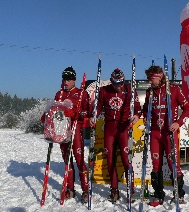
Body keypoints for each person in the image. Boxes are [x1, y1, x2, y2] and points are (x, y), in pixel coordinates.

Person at [143, 65, 189, 207]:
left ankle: (179, 193)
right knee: (156, 165)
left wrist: (178, 123)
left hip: (169, 133)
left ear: (159, 76)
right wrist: (145, 116)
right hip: (155, 133)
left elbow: (188, 109)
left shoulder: (174, 90)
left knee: (173, 164)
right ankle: (158, 194)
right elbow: (146, 109)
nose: (149, 81)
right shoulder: (149, 92)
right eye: (148, 79)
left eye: (151, 79)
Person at [41, 66, 91, 202]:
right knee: (67, 161)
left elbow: (88, 112)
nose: (66, 82)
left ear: (74, 80)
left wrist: (76, 114)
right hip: (61, 132)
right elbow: (55, 109)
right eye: (64, 79)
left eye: (69, 80)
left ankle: (86, 190)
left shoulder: (82, 93)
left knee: (80, 161)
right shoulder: (59, 94)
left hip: (76, 130)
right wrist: (46, 116)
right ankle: (70, 188)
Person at [91, 68, 141, 203]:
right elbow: (98, 107)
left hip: (123, 127)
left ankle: (131, 190)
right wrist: (94, 116)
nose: (118, 86)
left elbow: (137, 108)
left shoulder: (130, 90)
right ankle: (114, 190)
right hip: (109, 128)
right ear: (111, 81)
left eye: (120, 83)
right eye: (115, 83)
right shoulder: (104, 90)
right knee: (110, 159)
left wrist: (136, 116)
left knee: (126, 159)